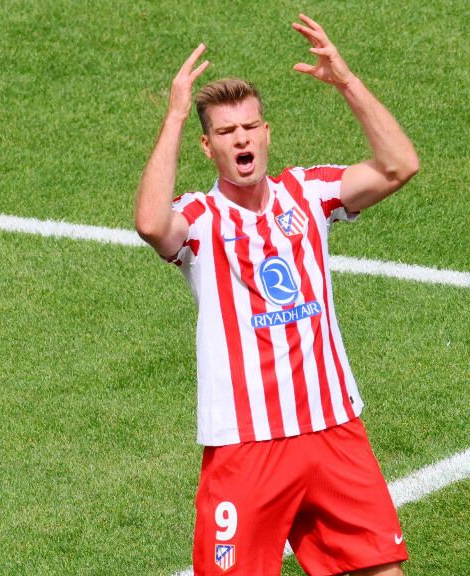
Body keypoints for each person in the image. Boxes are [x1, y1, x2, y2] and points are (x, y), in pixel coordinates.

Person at [134, 14, 418, 576]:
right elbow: (149, 223)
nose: (241, 137)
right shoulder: (200, 218)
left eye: (250, 126)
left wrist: (346, 82)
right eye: (226, 131)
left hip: (333, 428)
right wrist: (172, 114)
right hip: (246, 446)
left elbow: (399, 165)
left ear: (266, 134)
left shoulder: (308, 193)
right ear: (208, 146)